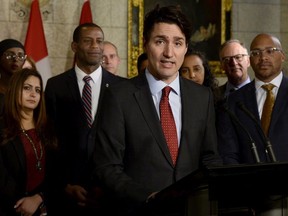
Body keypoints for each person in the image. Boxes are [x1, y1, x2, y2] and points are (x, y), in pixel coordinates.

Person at [92, 5, 222, 216]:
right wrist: (148, 197)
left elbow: (210, 158)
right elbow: (107, 167)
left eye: (178, 43)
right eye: (160, 41)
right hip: (139, 210)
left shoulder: (202, 97)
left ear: (186, 47)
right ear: (145, 44)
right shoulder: (119, 96)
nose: (169, 53)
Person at [45, 22, 125, 215]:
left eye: (99, 41)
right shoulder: (56, 85)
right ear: (75, 46)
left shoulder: (122, 87)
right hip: (68, 195)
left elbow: (126, 142)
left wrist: (109, 185)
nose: (95, 46)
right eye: (88, 41)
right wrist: (64, 185)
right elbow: (50, 139)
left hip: (110, 194)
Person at [217, 33, 288, 216]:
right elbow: (228, 152)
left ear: (283, 55)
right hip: (249, 201)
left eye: (270, 51)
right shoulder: (233, 102)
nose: (263, 57)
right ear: (250, 59)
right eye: (256, 52)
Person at [0, 68, 57, 216]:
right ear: (14, 90)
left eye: (38, 90)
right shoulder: (2, 128)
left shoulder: (48, 128)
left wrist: (39, 198)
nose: (33, 94)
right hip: (11, 208)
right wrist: (23, 203)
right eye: (27, 88)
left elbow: (57, 171)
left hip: (45, 205)